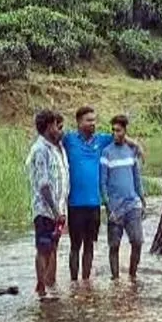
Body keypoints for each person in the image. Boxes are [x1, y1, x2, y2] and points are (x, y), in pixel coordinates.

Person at [63, 106, 110, 285]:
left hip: (95, 203)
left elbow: (120, 136)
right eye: (88, 120)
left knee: (90, 244)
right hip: (75, 204)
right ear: (79, 122)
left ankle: (85, 282)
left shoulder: (101, 140)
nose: (92, 124)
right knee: (75, 245)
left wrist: (136, 145)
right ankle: (74, 282)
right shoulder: (69, 140)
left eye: (94, 120)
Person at [25, 109, 69, 298]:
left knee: (52, 247)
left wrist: (60, 209)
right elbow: (43, 185)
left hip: (58, 208)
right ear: (48, 127)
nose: (58, 130)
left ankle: (50, 285)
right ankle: (41, 288)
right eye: (55, 126)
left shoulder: (55, 148)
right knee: (43, 248)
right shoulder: (40, 149)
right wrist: (55, 210)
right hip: (45, 210)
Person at [101, 114, 146, 280]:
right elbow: (103, 183)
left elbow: (137, 178)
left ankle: (133, 276)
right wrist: (108, 206)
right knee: (114, 245)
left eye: (118, 130)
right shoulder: (106, 153)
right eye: (113, 130)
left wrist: (142, 199)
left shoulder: (130, 152)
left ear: (125, 131)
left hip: (132, 205)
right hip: (115, 207)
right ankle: (115, 279)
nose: (115, 134)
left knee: (137, 242)